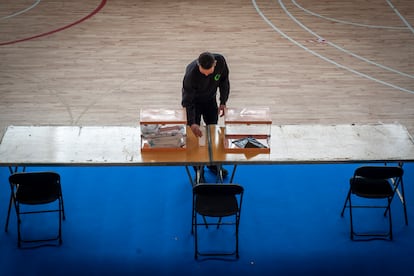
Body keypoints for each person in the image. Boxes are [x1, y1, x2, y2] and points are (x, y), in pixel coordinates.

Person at [182, 52, 230, 181]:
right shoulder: (191, 75)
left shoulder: (220, 62)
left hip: (210, 100)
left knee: (212, 132)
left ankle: (213, 164)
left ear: (215, 64)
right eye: (203, 73)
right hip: (194, 103)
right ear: (198, 65)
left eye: (209, 72)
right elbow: (187, 102)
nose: (207, 75)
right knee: (194, 138)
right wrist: (192, 123)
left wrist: (223, 102)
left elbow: (224, 81)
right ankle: (198, 171)